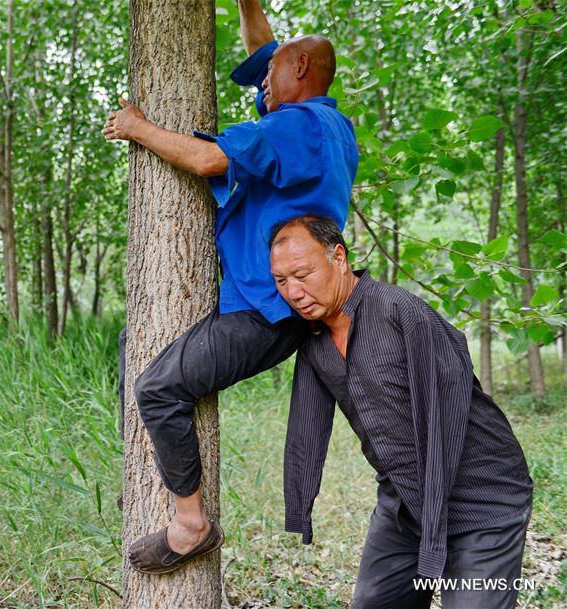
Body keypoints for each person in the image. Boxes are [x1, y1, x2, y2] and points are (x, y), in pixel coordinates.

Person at [102, 1, 358, 574]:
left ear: (301, 73)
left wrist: (136, 127)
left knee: (158, 387)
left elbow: (208, 159)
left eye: (270, 75)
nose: (260, 80)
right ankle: (153, 478)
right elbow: (263, 47)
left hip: (270, 311)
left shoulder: (298, 125)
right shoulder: (322, 126)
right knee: (132, 344)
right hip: (250, 295)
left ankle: (191, 525)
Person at [269, 215, 533, 609]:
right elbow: (307, 430)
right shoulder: (314, 342)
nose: (294, 291)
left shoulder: (399, 312)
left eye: (302, 273)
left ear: (338, 257)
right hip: (404, 502)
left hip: (482, 498)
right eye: (281, 281)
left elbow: (448, 408)